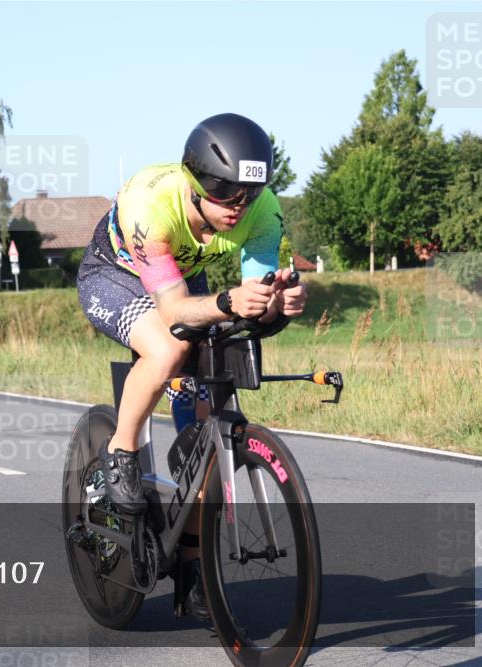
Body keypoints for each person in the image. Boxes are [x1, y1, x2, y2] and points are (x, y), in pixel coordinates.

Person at [76, 113, 308, 617]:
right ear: (195, 180)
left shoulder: (262, 211)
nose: (237, 206)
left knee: (207, 423)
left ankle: (193, 563)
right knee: (168, 350)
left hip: (180, 276)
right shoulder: (152, 204)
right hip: (117, 274)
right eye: (224, 191)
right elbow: (175, 312)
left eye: (247, 192)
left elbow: (255, 307)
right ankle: (120, 451)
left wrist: (278, 305)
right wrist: (229, 302)